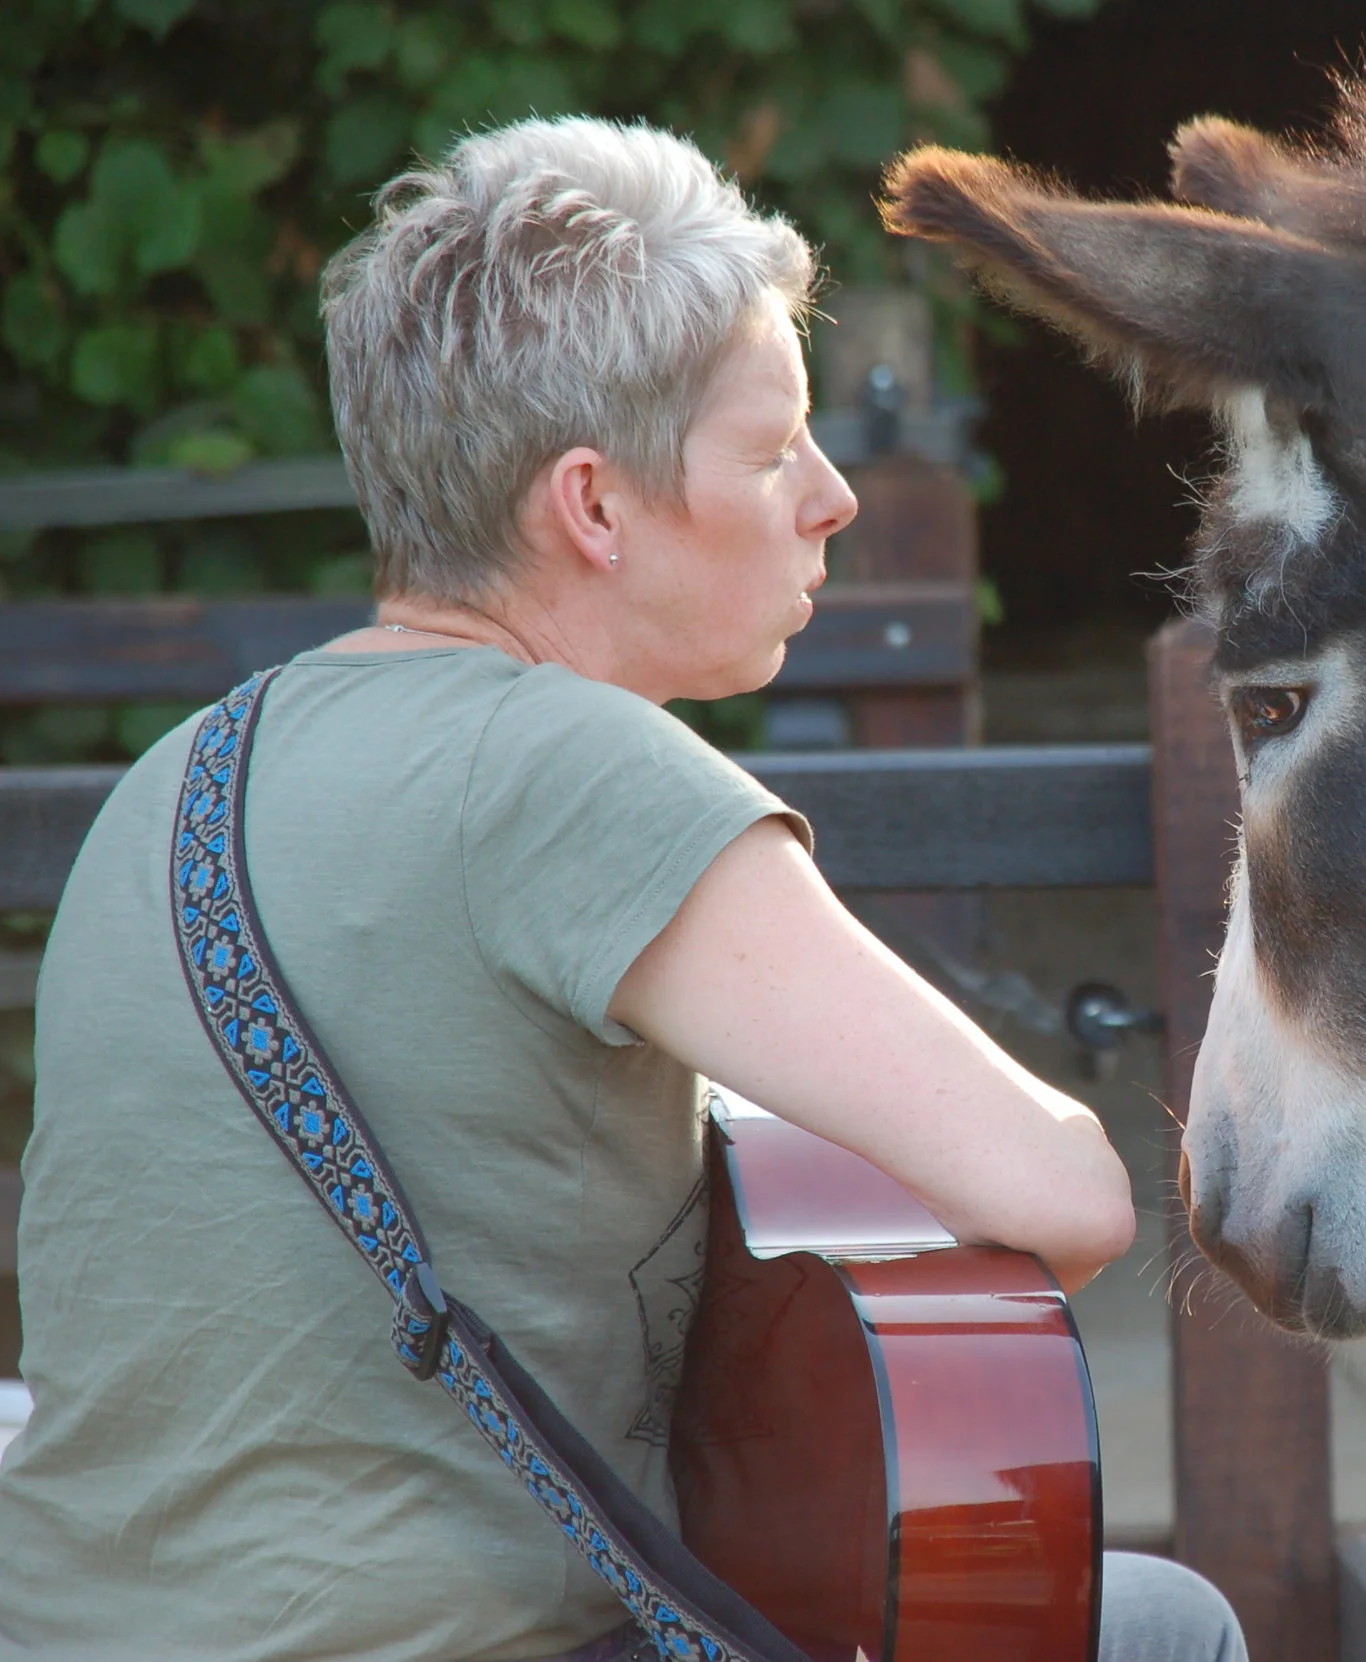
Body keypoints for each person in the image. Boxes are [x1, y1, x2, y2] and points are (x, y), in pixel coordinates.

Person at [0, 117, 1246, 1662]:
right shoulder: (579, 766)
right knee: (1164, 1625)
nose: (833, 494)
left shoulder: (172, 781)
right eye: (772, 442)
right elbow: (1063, 1194)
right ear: (592, 507)